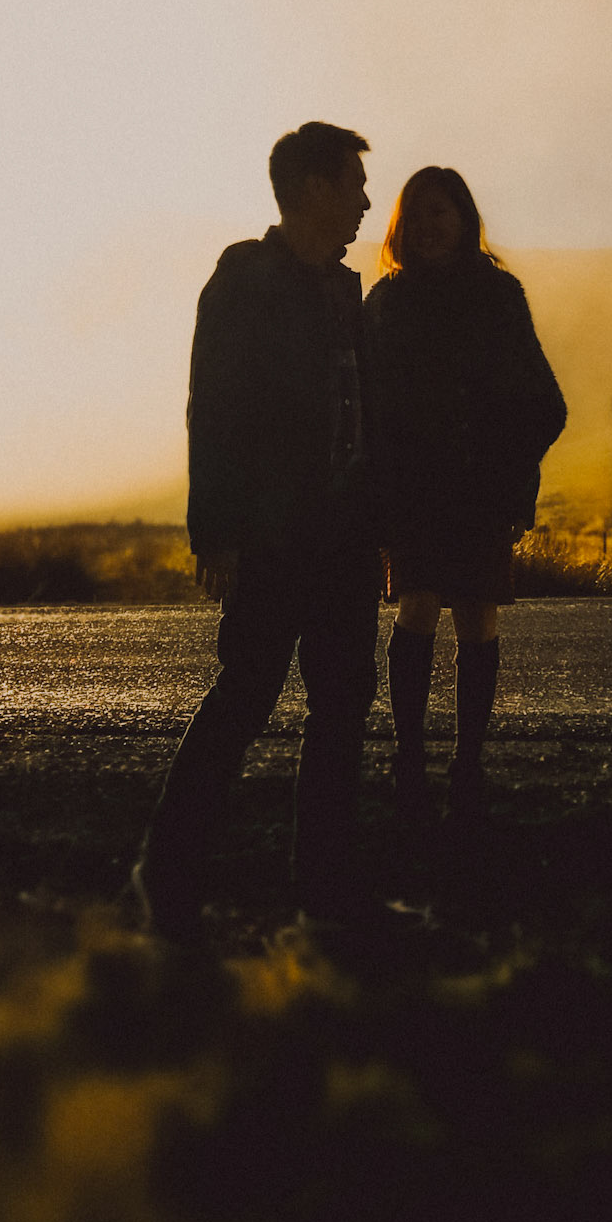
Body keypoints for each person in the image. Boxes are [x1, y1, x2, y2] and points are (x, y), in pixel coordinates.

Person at [130, 121, 380, 941]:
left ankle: (328, 888)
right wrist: (216, 533)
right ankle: (166, 872)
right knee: (246, 696)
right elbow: (213, 410)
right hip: (273, 536)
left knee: (343, 704)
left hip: (344, 537)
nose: (364, 202)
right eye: (352, 184)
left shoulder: (346, 291)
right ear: (312, 189)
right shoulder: (243, 278)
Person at [364, 166, 566, 819]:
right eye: (416, 214)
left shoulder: (498, 296)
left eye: (440, 214)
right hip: (413, 491)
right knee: (416, 608)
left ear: (465, 219)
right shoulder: (386, 303)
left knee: (478, 614)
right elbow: (365, 408)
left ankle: (468, 764)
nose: (427, 227)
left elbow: (543, 403)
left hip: (480, 491)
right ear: (401, 225)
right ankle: (410, 758)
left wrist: (510, 486)